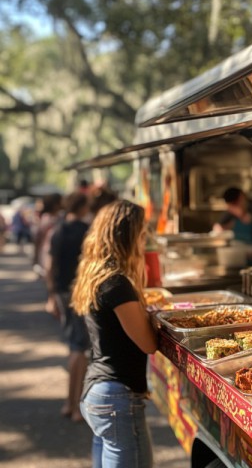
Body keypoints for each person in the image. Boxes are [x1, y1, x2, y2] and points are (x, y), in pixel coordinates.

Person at [72, 200, 158, 468]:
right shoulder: (117, 283)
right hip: (115, 398)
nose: (145, 241)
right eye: (142, 234)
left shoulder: (96, 274)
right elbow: (148, 343)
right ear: (128, 236)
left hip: (98, 394)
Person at [46, 192, 91, 422]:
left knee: (74, 344)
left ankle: (69, 403)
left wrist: (52, 295)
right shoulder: (86, 230)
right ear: (82, 206)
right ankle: (75, 406)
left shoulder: (59, 231)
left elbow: (50, 266)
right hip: (80, 293)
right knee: (80, 348)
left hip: (63, 293)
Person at [214, 187, 252, 269]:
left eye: (236, 204)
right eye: (231, 206)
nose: (234, 209)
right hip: (238, 262)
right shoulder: (230, 215)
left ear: (242, 198)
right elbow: (218, 227)